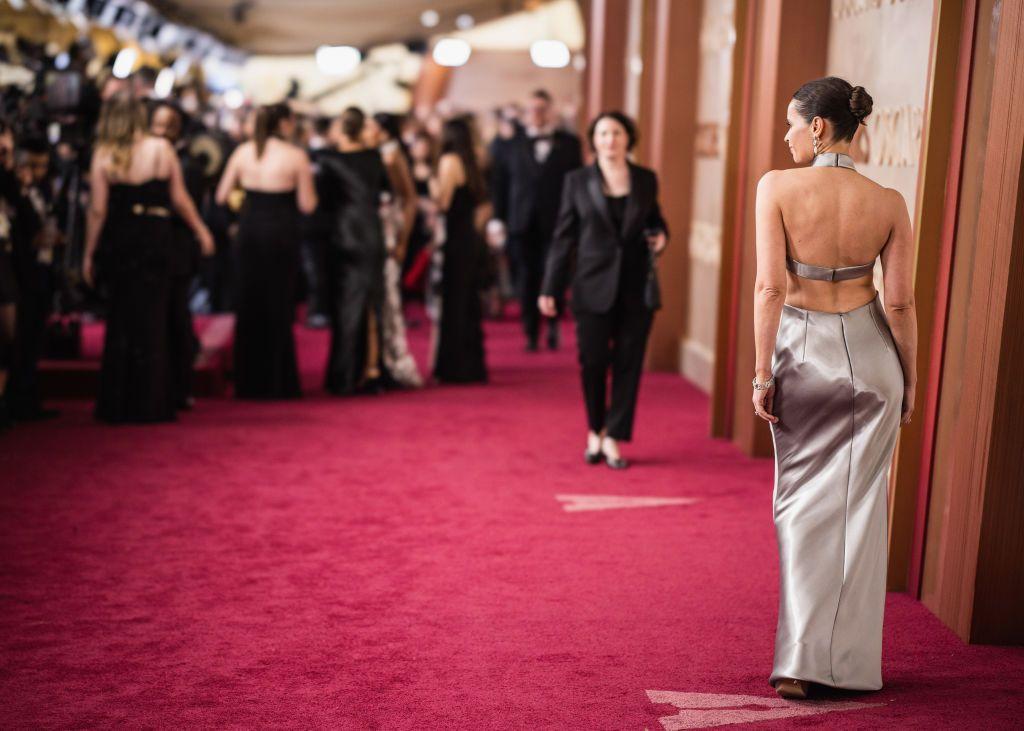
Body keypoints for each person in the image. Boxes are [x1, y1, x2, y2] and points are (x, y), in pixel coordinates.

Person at [751, 77, 917, 699]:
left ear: (818, 127)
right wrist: (909, 378)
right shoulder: (890, 200)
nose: (787, 134)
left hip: (805, 359)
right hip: (875, 361)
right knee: (861, 515)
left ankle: (800, 660)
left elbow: (770, 289)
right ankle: (850, 666)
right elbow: (899, 304)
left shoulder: (778, 187)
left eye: (792, 123)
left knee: (798, 509)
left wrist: (762, 373)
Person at [539, 112, 667, 470]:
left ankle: (613, 436)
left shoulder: (645, 179)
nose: (610, 140)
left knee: (629, 364)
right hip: (591, 285)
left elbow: (655, 221)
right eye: (603, 133)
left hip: (635, 288)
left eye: (617, 133)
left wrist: (662, 237)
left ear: (629, 138)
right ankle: (594, 427)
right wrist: (550, 286)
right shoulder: (577, 181)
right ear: (593, 140)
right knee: (592, 362)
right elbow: (563, 237)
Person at [82, 94, 213, 423]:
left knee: (121, 319)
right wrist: (201, 229)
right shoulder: (160, 148)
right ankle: (151, 402)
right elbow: (179, 198)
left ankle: (118, 403)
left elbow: (97, 211)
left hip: (121, 237)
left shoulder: (104, 154)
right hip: (155, 236)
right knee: (153, 320)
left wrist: (88, 253)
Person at [215, 102, 316, 399]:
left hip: (249, 232)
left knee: (249, 303)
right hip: (282, 234)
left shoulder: (243, 152)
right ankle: (278, 381)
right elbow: (307, 205)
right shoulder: (296, 156)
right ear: (285, 124)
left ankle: (248, 382)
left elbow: (222, 195)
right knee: (279, 304)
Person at [491, 90, 582, 352]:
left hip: (557, 222)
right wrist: (498, 219)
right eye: (532, 109)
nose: (537, 114)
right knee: (526, 278)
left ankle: (552, 326)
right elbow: (500, 183)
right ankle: (530, 331)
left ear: (550, 111)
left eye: (542, 108)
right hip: (521, 222)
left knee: (554, 276)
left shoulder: (569, 143)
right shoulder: (512, 144)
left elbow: (576, 185)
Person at [318, 107, 390, 395]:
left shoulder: (328, 159)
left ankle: (344, 375)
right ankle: (369, 370)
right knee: (370, 303)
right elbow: (384, 193)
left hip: (344, 234)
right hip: (371, 232)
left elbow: (323, 202)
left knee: (345, 305)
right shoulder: (375, 157)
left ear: (342, 128)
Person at [150, 100, 204, 410]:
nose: (161, 131)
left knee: (176, 318)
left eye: (167, 125)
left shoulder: (186, 164)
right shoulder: (165, 158)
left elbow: (185, 206)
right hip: (159, 250)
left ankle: (180, 387)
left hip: (177, 252)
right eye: (157, 124)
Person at [365, 113, 422, 388]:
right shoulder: (378, 153)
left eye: (371, 127)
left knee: (389, 302)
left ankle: (396, 363)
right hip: (376, 237)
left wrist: (401, 240)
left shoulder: (393, 155)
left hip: (389, 237)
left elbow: (409, 199)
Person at [430, 117, 488, 384]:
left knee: (454, 302)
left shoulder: (449, 161)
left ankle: (453, 367)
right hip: (470, 239)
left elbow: (443, 202)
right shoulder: (473, 160)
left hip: (455, 239)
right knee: (468, 301)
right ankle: (470, 364)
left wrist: (430, 187)